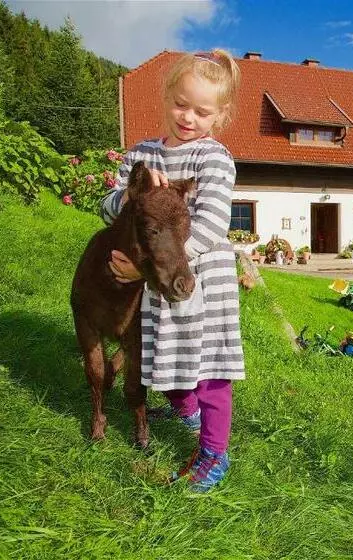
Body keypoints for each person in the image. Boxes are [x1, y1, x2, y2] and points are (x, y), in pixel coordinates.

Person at [99, 49, 244, 492]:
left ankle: (214, 453)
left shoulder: (213, 159)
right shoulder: (141, 155)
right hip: (155, 285)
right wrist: (128, 197)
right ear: (166, 96)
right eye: (181, 104)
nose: (188, 118)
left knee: (209, 371)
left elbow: (211, 226)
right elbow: (106, 210)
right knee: (159, 359)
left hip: (202, 281)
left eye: (202, 111)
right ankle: (186, 412)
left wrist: (148, 271)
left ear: (220, 115)